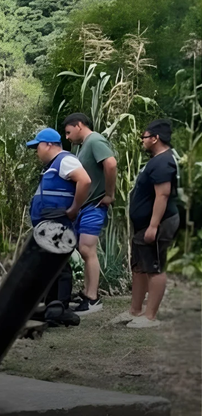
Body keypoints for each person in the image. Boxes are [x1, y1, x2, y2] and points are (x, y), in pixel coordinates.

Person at [26, 128, 91, 327]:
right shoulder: (53, 165)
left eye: (37, 146)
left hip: (58, 222)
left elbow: (85, 180)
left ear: (48, 145)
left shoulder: (65, 160)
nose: (36, 151)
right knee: (50, 266)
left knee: (60, 265)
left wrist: (74, 208)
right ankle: (50, 309)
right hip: (48, 223)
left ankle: (60, 308)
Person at [121, 120, 179, 328]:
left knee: (154, 267)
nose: (142, 141)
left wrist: (154, 226)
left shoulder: (164, 162)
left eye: (144, 137)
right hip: (143, 224)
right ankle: (135, 310)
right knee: (140, 267)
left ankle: (150, 316)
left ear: (155, 138)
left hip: (158, 224)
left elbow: (162, 196)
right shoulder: (156, 160)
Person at [63, 113, 117, 314]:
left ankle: (93, 299)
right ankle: (87, 292)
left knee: (87, 249)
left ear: (78, 125)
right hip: (86, 207)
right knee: (84, 250)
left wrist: (110, 194)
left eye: (68, 132)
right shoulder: (82, 146)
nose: (67, 137)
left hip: (94, 206)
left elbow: (110, 163)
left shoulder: (95, 140)